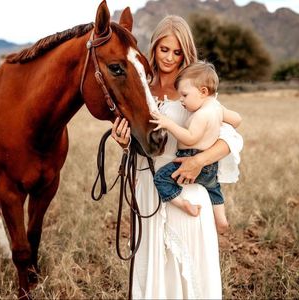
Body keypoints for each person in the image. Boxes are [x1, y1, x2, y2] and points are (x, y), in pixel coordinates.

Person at [111, 15, 243, 299]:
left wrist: (199, 160)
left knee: (189, 272)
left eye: (177, 51)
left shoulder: (193, 89)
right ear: (154, 48)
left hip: (187, 185)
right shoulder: (140, 86)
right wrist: (124, 143)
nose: (169, 58)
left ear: (186, 52)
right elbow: (142, 144)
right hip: (148, 188)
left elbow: (231, 137)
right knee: (152, 267)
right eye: (164, 49)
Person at [150, 61, 240, 235]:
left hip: (190, 158)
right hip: (210, 167)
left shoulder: (201, 114)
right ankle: (221, 219)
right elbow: (237, 120)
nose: (181, 100)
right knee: (214, 188)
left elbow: (190, 138)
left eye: (184, 95)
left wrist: (169, 124)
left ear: (203, 92)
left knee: (160, 178)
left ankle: (182, 204)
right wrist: (223, 116)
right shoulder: (216, 107)